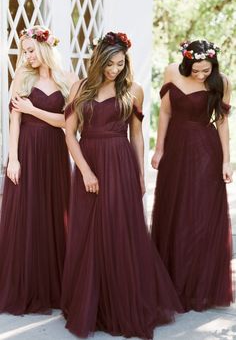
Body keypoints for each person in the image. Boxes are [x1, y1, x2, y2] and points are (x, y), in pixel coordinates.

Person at [61, 31, 182, 339]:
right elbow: (69, 133)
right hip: (89, 163)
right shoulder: (80, 87)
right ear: (98, 60)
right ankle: (91, 305)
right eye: (110, 64)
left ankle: (121, 303)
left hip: (121, 165)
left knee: (118, 232)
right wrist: (86, 171)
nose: (114, 70)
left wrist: (140, 175)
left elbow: (138, 135)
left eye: (120, 64)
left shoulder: (134, 90)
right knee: (88, 234)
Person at [151, 39, 234, 312]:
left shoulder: (222, 82)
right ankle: (170, 281)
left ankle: (198, 287)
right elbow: (164, 111)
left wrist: (226, 161)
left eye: (206, 71)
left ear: (213, 65)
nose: (200, 75)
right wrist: (159, 149)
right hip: (175, 149)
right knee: (173, 212)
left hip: (204, 153)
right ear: (187, 63)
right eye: (196, 70)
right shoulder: (171, 71)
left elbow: (222, 122)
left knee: (199, 216)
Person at [0, 25, 78, 314]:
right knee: (26, 215)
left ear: (45, 47)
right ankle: (25, 285)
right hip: (27, 152)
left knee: (54, 214)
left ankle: (53, 287)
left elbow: (66, 123)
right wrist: (14, 158)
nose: (27, 56)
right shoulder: (22, 76)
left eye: (31, 50)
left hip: (55, 153)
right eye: (24, 51)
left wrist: (33, 110)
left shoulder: (67, 79)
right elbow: (14, 121)